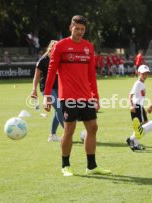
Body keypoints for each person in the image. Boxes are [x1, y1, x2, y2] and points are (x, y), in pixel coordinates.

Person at [43, 15, 111, 177]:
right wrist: (46, 95)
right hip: (68, 96)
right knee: (69, 130)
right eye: (77, 29)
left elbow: (91, 75)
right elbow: (51, 72)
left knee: (93, 128)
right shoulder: (60, 46)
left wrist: (95, 96)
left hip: (86, 96)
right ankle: (65, 165)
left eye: (82, 29)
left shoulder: (88, 47)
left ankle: (91, 166)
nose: (79, 32)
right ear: (70, 28)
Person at [31, 40, 63, 142]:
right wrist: (34, 90)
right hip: (46, 89)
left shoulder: (59, 59)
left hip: (58, 88)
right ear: (51, 48)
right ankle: (68, 133)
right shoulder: (42, 61)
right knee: (59, 108)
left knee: (58, 110)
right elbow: (36, 77)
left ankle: (52, 135)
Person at [126, 65, 150, 151]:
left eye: (146, 74)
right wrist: (131, 105)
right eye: (143, 74)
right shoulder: (138, 84)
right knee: (143, 125)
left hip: (140, 106)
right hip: (137, 106)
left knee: (142, 125)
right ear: (138, 73)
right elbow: (130, 95)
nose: (145, 76)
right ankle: (133, 141)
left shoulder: (141, 83)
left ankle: (132, 141)